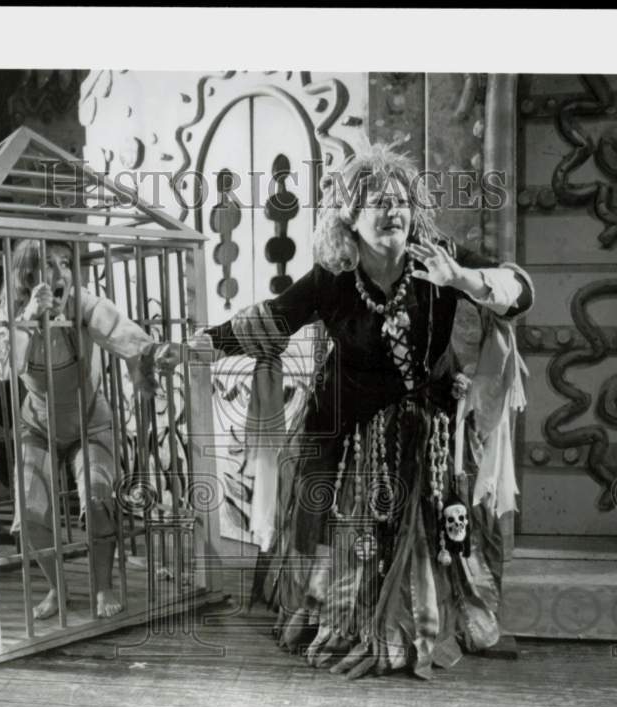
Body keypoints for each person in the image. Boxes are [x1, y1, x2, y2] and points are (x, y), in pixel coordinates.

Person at [192, 143, 534, 679]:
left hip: (427, 428)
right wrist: (204, 343)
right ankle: (346, 621)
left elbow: (518, 291)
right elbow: (276, 317)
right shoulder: (332, 277)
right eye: (376, 201)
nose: (391, 211)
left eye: (400, 200)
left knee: (441, 525)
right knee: (340, 519)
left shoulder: (437, 257)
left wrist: (462, 281)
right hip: (349, 426)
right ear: (349, 217)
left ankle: (423, 622)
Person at [0, 239, 178, 620]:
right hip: (38, 425)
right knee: (30, 510)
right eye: (49, 264)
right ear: (28, 275)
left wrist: (152, 355)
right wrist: (28, 317)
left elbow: (120, 330)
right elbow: (8, 368)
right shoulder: (13, 311)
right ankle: (58, 589)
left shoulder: (84, 302)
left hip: (91, 421)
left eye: (66, 263)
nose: (61, 272)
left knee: (99, 498)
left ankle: (103, 586)